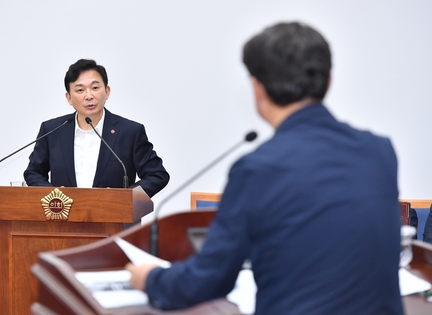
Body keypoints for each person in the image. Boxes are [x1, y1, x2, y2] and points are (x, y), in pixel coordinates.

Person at [127, 22, 403, 314]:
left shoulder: (258, 169)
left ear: (257, 88)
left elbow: (209, 278)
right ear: (329, 81)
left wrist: (150, 279)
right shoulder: (380, 151)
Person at [24, 59, 169, 198]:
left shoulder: (130, 132)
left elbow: (157, 175)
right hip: (62, 220)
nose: (89, 96)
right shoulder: (52, 130)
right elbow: (33, 172)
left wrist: (124, 198)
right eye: (80, 90)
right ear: (69, 97)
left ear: (107, 91)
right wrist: (53, 195)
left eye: (95, 88)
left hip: (114, 220)